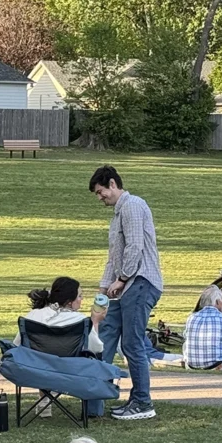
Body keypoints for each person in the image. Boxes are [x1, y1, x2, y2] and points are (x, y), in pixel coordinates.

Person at [90, 165, 163, 421]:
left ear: (112, 184)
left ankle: (143, 402)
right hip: (125, 286)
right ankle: (95, 401)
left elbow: (135, 247)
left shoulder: (132, 205)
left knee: (132, 344)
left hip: (140, 282)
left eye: (100, 192)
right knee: (105, 336)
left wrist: (121, 279)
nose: (99, 198)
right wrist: (103, 289)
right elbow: (114, 257)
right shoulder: (117, 215)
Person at [16, 276, 105, 355]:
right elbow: (97, 349)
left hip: (36, 366)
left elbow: (17, 344)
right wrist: (95, 322)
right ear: (69, 302)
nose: (82, 298)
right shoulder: (80, 321)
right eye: (79, 296)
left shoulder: (33, 316)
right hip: (70, 367)